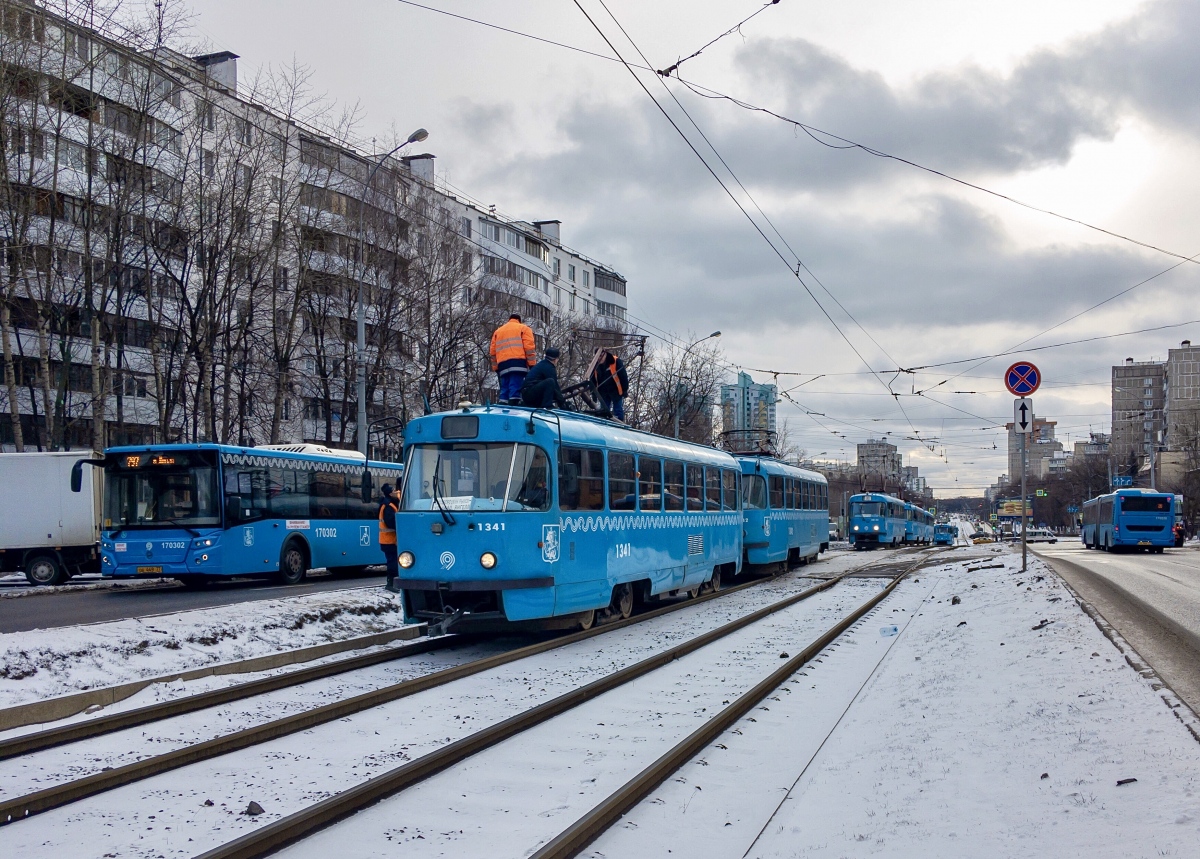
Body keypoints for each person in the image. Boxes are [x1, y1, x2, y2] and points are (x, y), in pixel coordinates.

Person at [489, 313, 536, 405]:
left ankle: (503, 403)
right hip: (518, 362)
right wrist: (532, 364)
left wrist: (496, 367)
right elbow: (529, 348)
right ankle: (514, 402)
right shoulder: (524, 329)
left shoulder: (498, 331)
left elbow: (492, 352)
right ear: (519, 320)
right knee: (515, 386)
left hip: (502, 364)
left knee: (505, 387)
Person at [589, 349, 629, 421]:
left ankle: (619, 423)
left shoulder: (615, 361)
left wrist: (625, 389)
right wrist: (593, 394)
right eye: (598, 356)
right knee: (604, 410)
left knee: (617, 409)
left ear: (605, 354)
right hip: (603, 391)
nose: (599, 358)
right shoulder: (595, 365)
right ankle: (604, 422)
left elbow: (623, 376)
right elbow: (592, 381)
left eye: (601, 356)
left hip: (615, 390)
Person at [377, 483, 401, 593]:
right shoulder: (388, 506)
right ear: (390, 493)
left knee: (394, 561)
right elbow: (390, 522)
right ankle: (391, 583)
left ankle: (393, 582)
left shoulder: (389, 504)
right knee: (392, 562)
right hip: (389, 540)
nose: (397, 492)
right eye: (394, 490)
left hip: (389, 540)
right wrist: (401, 526)